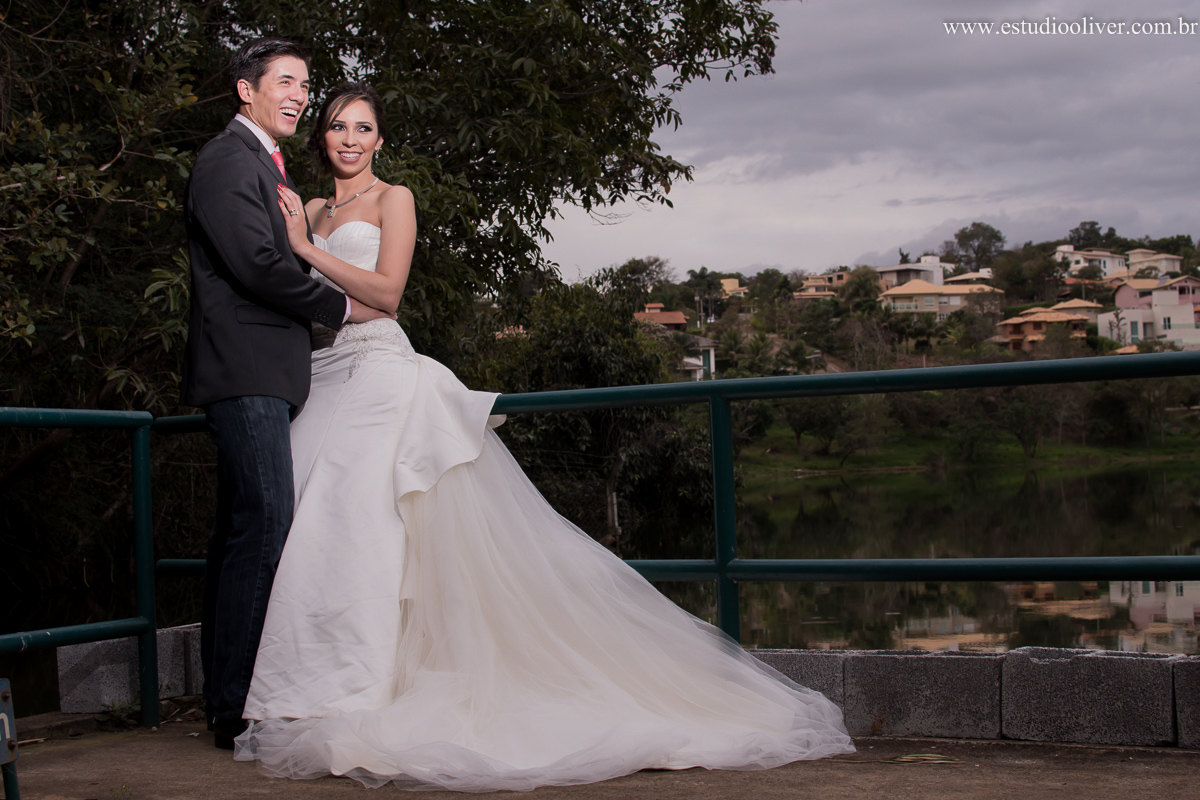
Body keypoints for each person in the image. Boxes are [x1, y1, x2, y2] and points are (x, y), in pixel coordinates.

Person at [233, 82, 854, 791]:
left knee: (365, 529)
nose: (349, 139)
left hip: (378, 369)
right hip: (322, 375)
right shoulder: (309, 208)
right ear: (321, 138)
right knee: (315, 537)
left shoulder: (391, 199)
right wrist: (295, 243)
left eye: (363, 128)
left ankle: (360, 696)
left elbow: (386, 294)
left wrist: (301, 249)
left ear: (380, 139)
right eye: (338, 127)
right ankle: (320, 693)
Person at [181, 39, 391, 750]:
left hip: (269, 373)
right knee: (268, 523)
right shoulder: (226, 161)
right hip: (243, 370)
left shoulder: (264, 165)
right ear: (247, 90)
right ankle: (235, 706)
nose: (301, 94)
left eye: (306, 84)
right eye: (286, 82)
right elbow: (255, 263)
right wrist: (338, 310)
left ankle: (225, 695)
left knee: (243, 529)